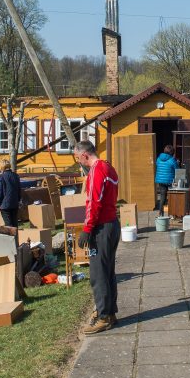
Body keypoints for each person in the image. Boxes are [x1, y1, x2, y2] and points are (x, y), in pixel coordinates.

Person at [74, 139, 120, 335]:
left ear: (85, 155)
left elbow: (94, 202)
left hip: (102, 227)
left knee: (98, 273)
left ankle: (103, 317)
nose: (78, 162)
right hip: (112, 224)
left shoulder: (96, 171)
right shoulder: (109, 168)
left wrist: (87, 228)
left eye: (78, 158)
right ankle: (109, 312)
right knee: (107, 271)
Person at [0, 159, 22, 227]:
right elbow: (19, 189)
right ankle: (16, 237)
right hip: (15, 203)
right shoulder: (16, 176)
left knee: (8, 225)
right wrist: (19, 200)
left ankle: (11, 237)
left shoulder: (1, 177)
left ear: (1, 167)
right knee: (15, 223)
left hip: (5, 205)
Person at [154, 145, 178, 212]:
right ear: (172, 153)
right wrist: (177, 163)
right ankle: (171, 211)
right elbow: (177, 170)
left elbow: (158, 165)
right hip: (170, 181)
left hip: (160, 180)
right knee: (171, 196)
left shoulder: (158, 159)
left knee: (162, 196)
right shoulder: (172, 160)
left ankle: (161, 213)